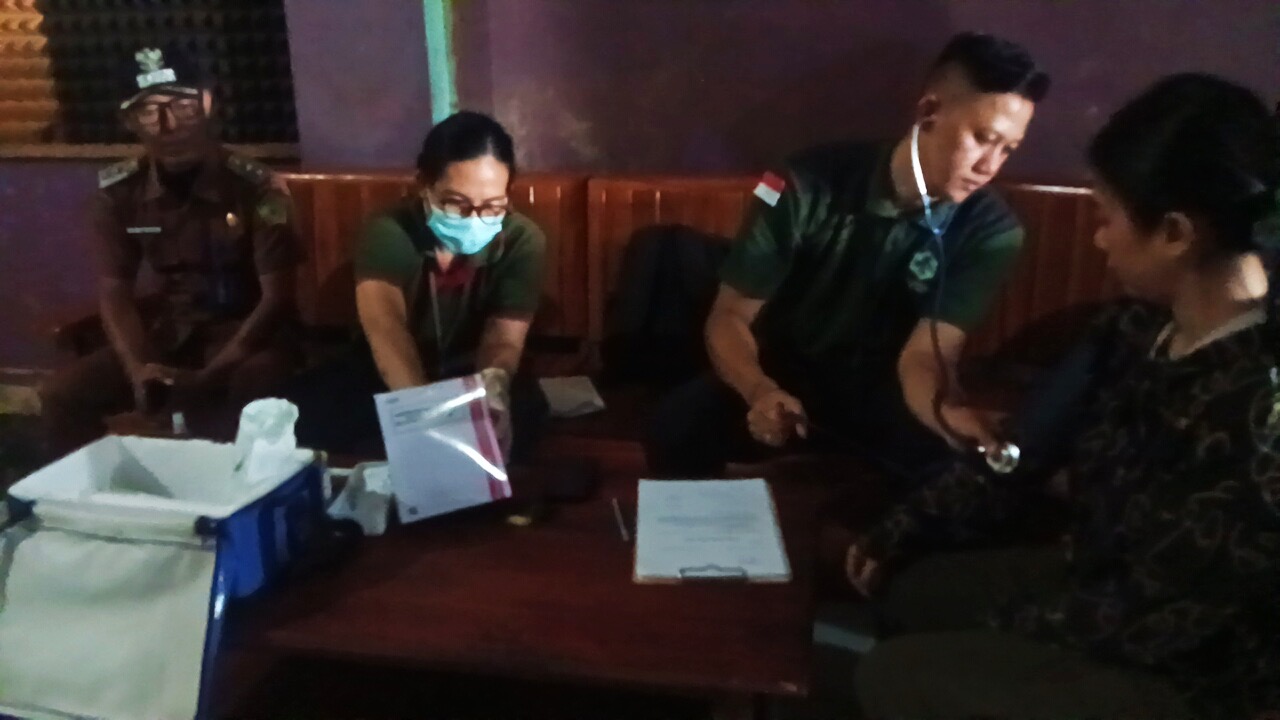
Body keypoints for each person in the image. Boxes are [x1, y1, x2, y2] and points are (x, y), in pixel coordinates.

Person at [848, 73, 1280, 720]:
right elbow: (1020, 452)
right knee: (913, 590)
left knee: (893, 675)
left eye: (1107, 217)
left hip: (1189, 673)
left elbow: (1160, 619)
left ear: (1175, 232)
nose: (1098, 237)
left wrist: (1010, 626)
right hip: (1100, 578)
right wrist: (901, 529)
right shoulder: (1135, 326)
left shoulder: (1258, 406)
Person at [646, 32, 1050, 483]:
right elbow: (729, 315)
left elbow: (925, 357)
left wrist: (948, 417)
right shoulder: (798, 181)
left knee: (950, 466)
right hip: (784, 373)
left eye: (1007, 149)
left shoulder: (993, 232)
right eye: (982, 139)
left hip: (888, 390)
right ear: (929, 112)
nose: (990, 166)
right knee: (677, 426)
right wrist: (759, 390)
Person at [40, 45, 301, 455]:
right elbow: (114, 290)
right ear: (128, 120)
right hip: (172, 331)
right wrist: (139, 369)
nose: (168, 124)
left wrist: (207, 378)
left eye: (182, 105)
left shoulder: (256, 187)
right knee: (62, 395)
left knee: (252, 386)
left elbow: (275, 299)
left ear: (207, 102)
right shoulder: (119, 193)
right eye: (148, 111)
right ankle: (91, 490)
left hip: (246, 336)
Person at [290, 111, 548, 461]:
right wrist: (425, 414)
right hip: (388, 373)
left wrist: (491, 388)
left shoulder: (521, 239)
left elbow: (503, 339)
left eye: (492, 207)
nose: (475, 219)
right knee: (308, 415)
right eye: (456, 204)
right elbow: (386, 330)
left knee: (524, 417)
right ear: (423, 185)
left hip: (468, 375)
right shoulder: (389, 230)